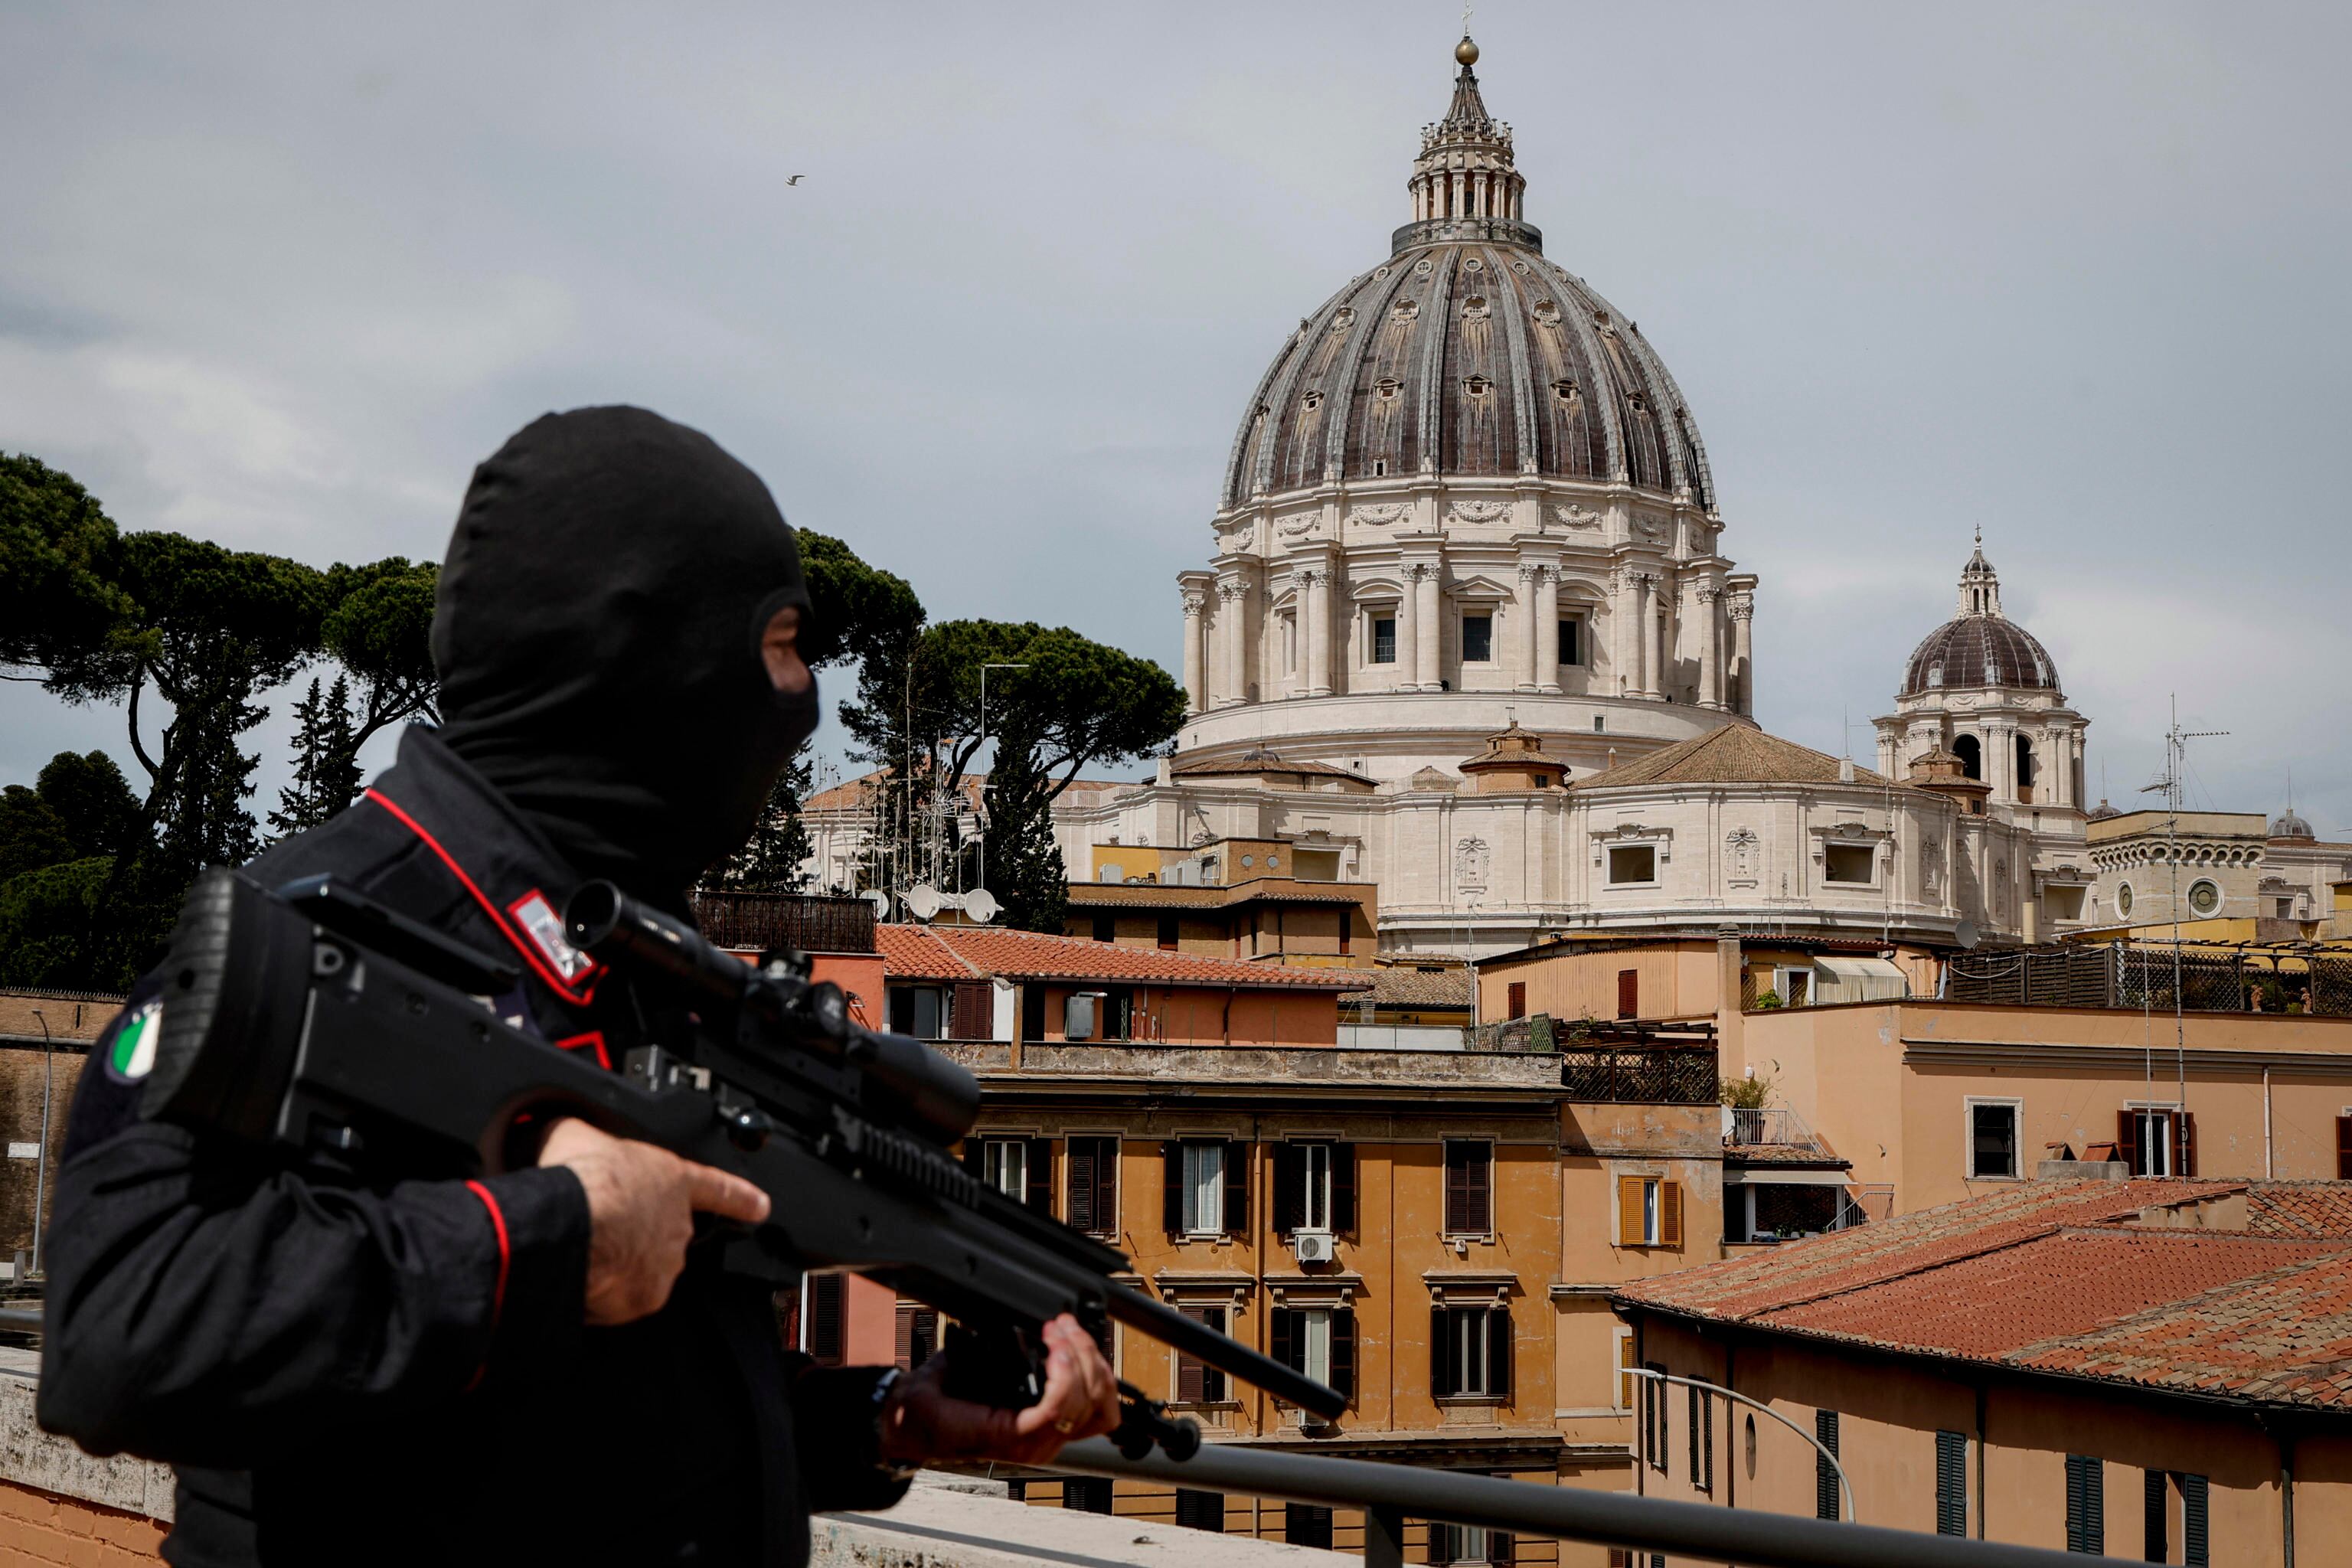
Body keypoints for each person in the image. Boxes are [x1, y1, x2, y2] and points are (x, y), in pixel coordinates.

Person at [37, 407, 1119, 1566]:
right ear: (639, 654)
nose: (802, 699)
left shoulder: (630, 957)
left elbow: (610, 1409)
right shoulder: (309, 934)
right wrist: (542, 1238)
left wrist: (879, 1420)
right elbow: (117, 1333)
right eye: (781, 641)